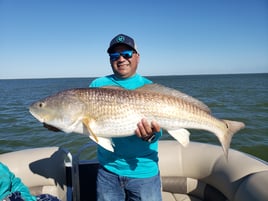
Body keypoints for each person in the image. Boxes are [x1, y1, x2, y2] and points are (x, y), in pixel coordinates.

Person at [89, 34, 163, 201]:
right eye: (115, 55)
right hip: (108, 171)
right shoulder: (97, 85)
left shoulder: (151, 88)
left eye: (127, 54)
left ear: (137, 56)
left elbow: (158, 131)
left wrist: (151, 135)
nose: (121, 59)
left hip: (144, 173)